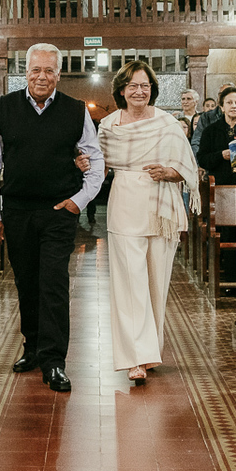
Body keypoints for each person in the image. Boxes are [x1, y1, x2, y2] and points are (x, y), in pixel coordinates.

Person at [0, 43, 104, 393]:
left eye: (49, 70)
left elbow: (96, 162)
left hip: (58, 211)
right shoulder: (3, 108)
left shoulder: (75, 110)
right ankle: (32, 348)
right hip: (16, 210)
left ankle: (54, 361)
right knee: (26, 283)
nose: (42, 76)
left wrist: (78, 201)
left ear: (59, 74)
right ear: (26, 71)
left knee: (53, 283)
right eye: (36, 70)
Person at [98, 61, 197, 385]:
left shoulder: (167, 123)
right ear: (122, 90)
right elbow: (98, 166)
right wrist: (83, 163)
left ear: (152, 89)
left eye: (145, 86)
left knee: (156, 283)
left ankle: (150, 350)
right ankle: (134, 359)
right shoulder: (109, 125)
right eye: (133, 86)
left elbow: (187, 166)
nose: (139, 91)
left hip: (161, 208)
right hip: (125, 203)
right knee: (130, 285)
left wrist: (171, 173)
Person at [190, 81, 234, 158]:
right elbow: (196, 142)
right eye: (221, 94)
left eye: (227, 94)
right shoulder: (206, 117)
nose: (224, 97)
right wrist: (200, 163)